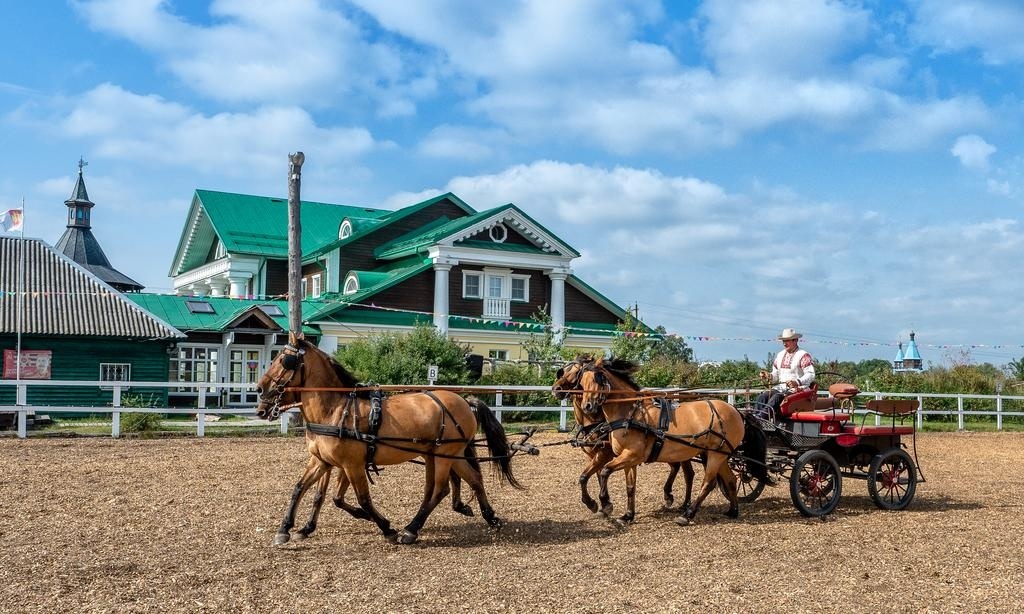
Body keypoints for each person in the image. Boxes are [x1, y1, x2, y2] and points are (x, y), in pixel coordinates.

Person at [756, 328, 816, 419]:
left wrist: (797, 382)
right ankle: (756, 417)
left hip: (798, 389)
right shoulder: (780, 355)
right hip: (781, 387)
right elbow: (776, 375)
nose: (784, 343)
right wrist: (769, 376)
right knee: (762, 397)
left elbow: (811, 374)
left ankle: (760, 418)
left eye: (787, 341)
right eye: (783, 341)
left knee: (776, 397)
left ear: (795, 340)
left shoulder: (803, 355)